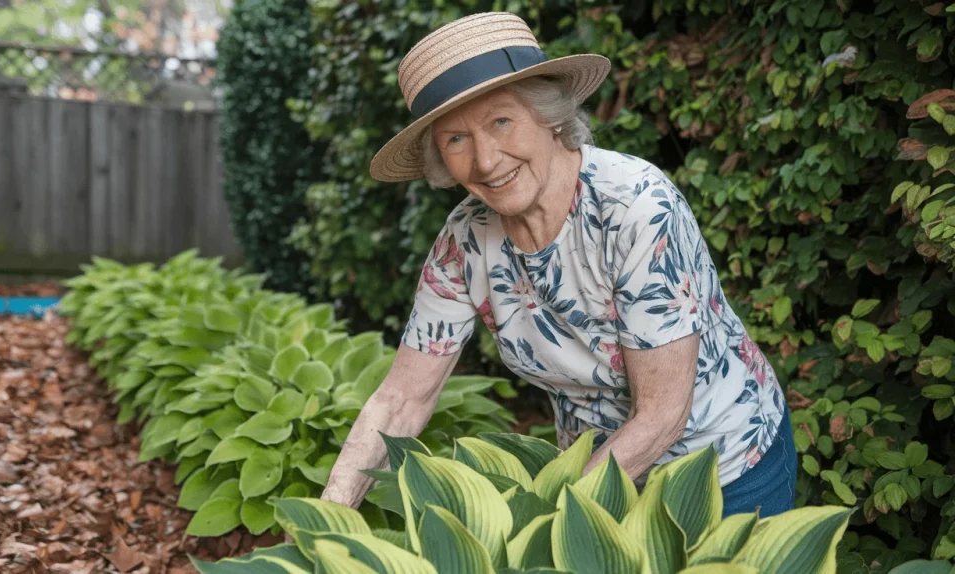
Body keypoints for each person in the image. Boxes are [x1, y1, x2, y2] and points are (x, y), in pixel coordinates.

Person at [318, 11, 795, 518]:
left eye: (501, 121)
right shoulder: (464, 240)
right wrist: (326, 520)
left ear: (551, 116)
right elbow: (401, 400)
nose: (485, 161)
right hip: (594, 473)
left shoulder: (635, 208)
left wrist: (549, 520)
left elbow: (663, 414)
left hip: (723, 468)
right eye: (455, 139)